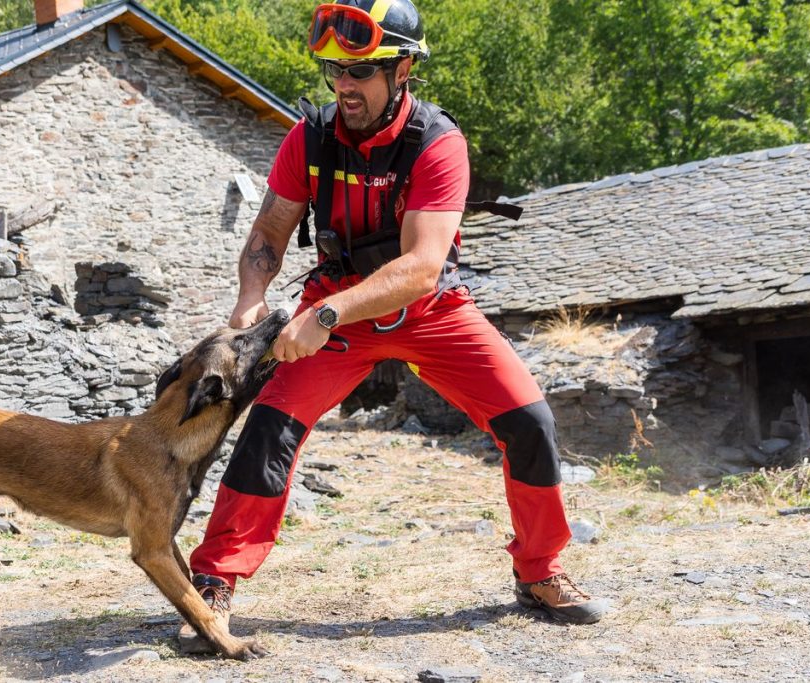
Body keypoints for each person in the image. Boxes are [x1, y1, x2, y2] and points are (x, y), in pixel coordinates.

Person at [179, 0, 610, 653]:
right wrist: (250, 296)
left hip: (428, 312)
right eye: (334, 71)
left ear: (402, 67)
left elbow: (421, 267)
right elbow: (268, 231)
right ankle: (213, 583)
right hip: (336, 310)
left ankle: (541, 570)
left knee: (531, 423)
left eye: (360, 72)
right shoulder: (311, 137)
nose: (343, 86)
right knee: (269, 425)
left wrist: (323, 315)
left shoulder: (439, 144)